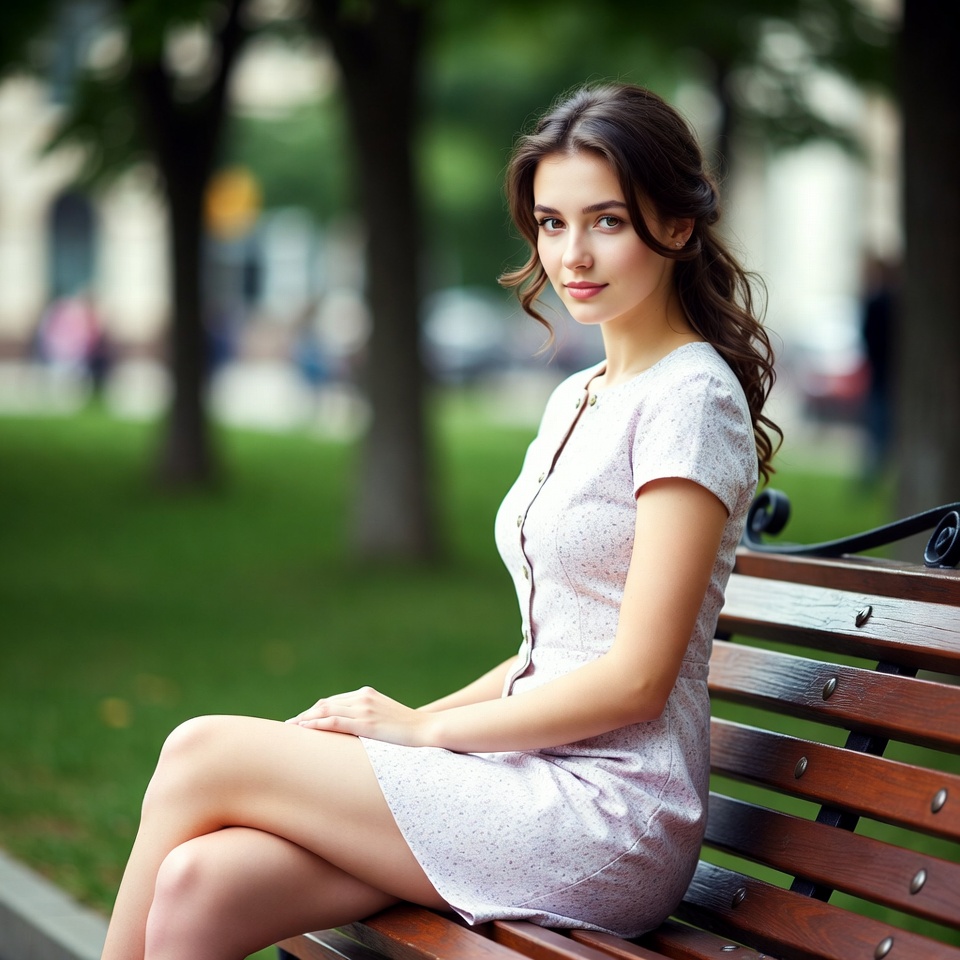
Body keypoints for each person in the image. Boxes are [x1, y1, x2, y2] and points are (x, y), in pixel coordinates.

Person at [100, 82, 780, 960]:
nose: (572, 253)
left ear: (677, 227)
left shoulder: (690, 401)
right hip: (528, 774)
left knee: (200, 752)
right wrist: (414, 718)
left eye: (606, 221)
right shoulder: (582, 394)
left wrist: (423, 734)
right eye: (550, 222)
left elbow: (634, 682)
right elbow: (553, 649)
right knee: (203, 886)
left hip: (609, 817)